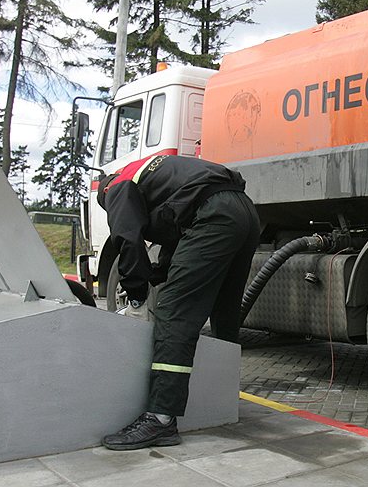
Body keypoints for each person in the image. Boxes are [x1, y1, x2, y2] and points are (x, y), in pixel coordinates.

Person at [96, 154, 259, 450]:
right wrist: (157, 274)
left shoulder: (117, 187)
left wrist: (137, 297)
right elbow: (178, 237)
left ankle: (160, 419)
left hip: (213, 214)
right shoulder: (154, 174)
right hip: (243, 211)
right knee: (224, 310)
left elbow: (127, 239)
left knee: (173, 312)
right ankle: (220, 401)